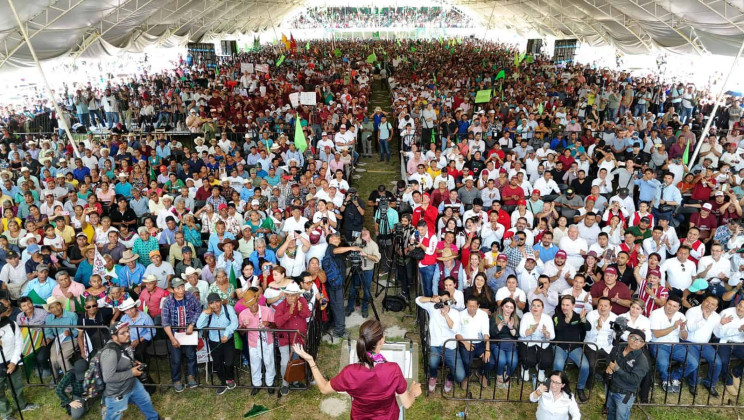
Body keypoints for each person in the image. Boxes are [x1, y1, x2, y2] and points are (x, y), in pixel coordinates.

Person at [293, 319, 422, 419]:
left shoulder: (350, 372)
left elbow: (324, 388)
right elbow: (407, 403)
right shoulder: (393, 370)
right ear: (382, 340)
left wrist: (310, 360)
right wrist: (413, 392)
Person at [100, 321, 160, 420]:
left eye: (127, 331)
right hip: (118, 392)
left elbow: (125, 359)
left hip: (133, 384)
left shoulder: (125, 344)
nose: (127, 334)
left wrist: (135, 363)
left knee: (145, 401)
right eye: (123, 333)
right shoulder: (110, 353)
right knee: (113, 416)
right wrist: (131, 372)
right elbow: (108, 377)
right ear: (114, 337)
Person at [416, 291, 465, 393]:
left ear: (451, 301)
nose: (444, 303)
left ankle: (449, 378)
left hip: (450, 347)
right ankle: (433, 377)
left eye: (447, 301)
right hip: (435, 345)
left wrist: (446, 315)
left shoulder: (455, 313)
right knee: (432, 363)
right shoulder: (433, 308)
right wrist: (432, 299)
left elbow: (455, 329)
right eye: (442, 300)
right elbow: (418, 300)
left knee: (460, 376)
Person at [0, 302, 38, 420]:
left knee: (17, 387)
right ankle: (6, 414)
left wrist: (14, 361)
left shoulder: (11, 324)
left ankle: (22, 405)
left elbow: (19, 343)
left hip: (11, 360)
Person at [161, 278, 200, 392]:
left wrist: (192, 324)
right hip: (175, 333)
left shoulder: (190, 296)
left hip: (188, 333)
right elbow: (165, 321)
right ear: (172, 290)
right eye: (178, 288)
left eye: (182, 286)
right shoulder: (167, 301)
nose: (182, 289)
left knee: (191, 355)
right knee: (176, 358)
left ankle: (191, 376)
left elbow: (198, 310)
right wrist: (172, 338)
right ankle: (176, 379)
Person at [196, 292, 238, 395]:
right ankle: (223, 382)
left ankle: (230, 379)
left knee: (229, 362)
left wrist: (226, 334)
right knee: (217, 363)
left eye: (217, 301)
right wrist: (205, 313)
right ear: (208, 305)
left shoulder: (228, 309)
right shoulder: (208, 313)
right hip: (214, 341)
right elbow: (199, 325)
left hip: (227, 340)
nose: (215, 305)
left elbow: (234, 322)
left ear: (220, 301)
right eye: (211, 303)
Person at [605, 328, 650, 420]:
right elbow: (609, 358)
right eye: (633, 338)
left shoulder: (642, 360)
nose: (635, 341)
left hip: (624, 394)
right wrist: (608, 365)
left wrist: (617, 369)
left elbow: (634, 380)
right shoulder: (618, 347)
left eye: (639, 340)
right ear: (628, 338)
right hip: (610, 388)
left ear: (643, 344)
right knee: (610, 414)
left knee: (621, 417)